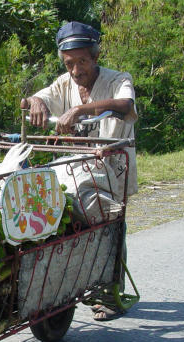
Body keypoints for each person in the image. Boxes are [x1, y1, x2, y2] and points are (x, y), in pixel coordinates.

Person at [21, 21, 138, 321]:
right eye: (69, 64)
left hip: (113, 167)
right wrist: (35, 102)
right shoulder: (64, 84)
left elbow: (126, 105)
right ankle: (81, 281)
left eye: (82, 62)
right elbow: (40, 98)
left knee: (111, 225)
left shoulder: (117, 80)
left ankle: (112, 292)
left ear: (95, 57)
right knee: (76, 225)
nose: (75, 71)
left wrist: (82, 110)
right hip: (81, 172)